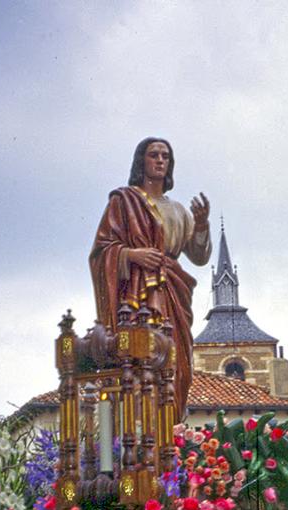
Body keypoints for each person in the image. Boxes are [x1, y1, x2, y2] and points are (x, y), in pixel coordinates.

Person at [90, 137, 211, 420]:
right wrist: (131, 255)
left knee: (178, 363)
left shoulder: (179, 210)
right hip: (136, 295)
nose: (160, 160)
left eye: (165, 156)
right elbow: (101, 251)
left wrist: (202, 225)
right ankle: (138, 429)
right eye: (153, 154)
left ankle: (172, 429)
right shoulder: (123, 202)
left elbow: (199, 256)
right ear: (141, 161)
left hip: (172, 290)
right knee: (140, 359)